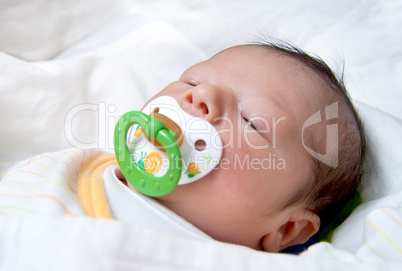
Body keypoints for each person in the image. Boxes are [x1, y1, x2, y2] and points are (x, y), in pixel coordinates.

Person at [0, 40, 365, 253]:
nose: (201, 96)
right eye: (191, 79)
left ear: (285, 232)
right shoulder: (71, 172)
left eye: (252, 121)